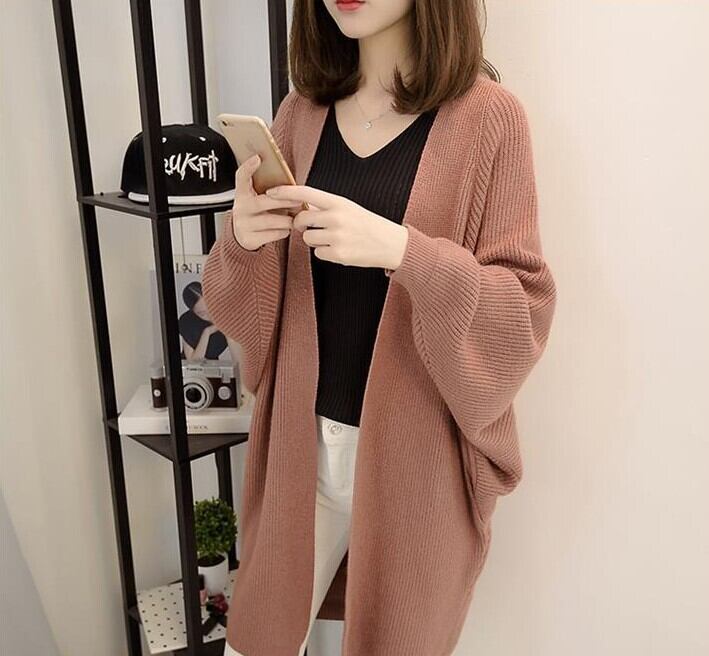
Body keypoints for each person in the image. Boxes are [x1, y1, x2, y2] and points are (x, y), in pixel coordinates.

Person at [203, 1, 557, 654]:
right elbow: (245, 313)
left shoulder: (489, 118)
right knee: (253, 641)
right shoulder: (300, 113)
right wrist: (243, 241)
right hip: (298, 449)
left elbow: (521, 313)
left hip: (414, 463)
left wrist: (404, 251)